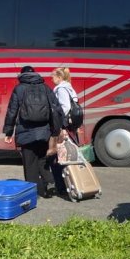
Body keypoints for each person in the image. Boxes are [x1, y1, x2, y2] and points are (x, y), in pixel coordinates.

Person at [3, 65, 62, 198]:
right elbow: (56, 109)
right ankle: (50, 182)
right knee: (42, 160)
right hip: (44, 131)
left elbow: (12, 111)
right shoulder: (46, 88)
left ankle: (35, 193)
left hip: (26, 131)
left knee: (30, 164)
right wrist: (56, 130)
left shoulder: (19, 89)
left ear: (21, 76)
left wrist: (8, 131)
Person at [49, 67, 79, 195]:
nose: (51, 78)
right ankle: (71, 183)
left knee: (59, 156)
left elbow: (65, 107)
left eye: (53, 76)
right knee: (67, 155)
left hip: (63, 127)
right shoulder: (69, 87)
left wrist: (59, 124)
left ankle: (61, 186)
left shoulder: (61, 89)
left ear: (60, 78)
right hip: (69, 126)